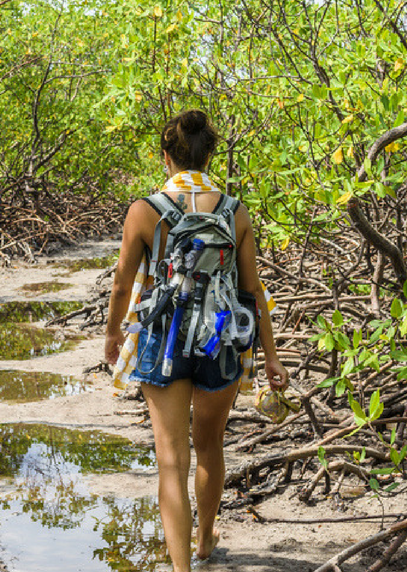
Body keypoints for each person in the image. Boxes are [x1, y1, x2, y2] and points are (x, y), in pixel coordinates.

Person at [104, 109, 288, 572]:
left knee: (171, 460)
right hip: (221, 338)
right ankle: (206, 541)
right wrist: (271, 356)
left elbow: (123, 285)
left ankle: (182, 568)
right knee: (210, 445)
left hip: (162, 338)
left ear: (165, 157)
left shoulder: (144, 210)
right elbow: (253, 290)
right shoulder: (234, 210)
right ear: (210, 156)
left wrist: (112, 337)